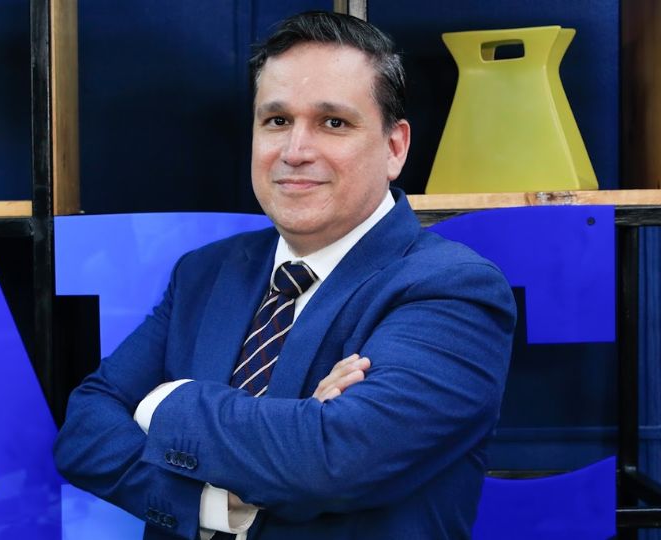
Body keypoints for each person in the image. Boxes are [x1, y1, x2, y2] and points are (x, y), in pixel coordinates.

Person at [54, 11, 516, 540]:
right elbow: (84, 431)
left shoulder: (452, 288)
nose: (295, 152)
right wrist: (216, 502)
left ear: (394, 147)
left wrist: (164, 401)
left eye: (333, 122)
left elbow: (333, 462)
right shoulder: (205, 272)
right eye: (276, 121)